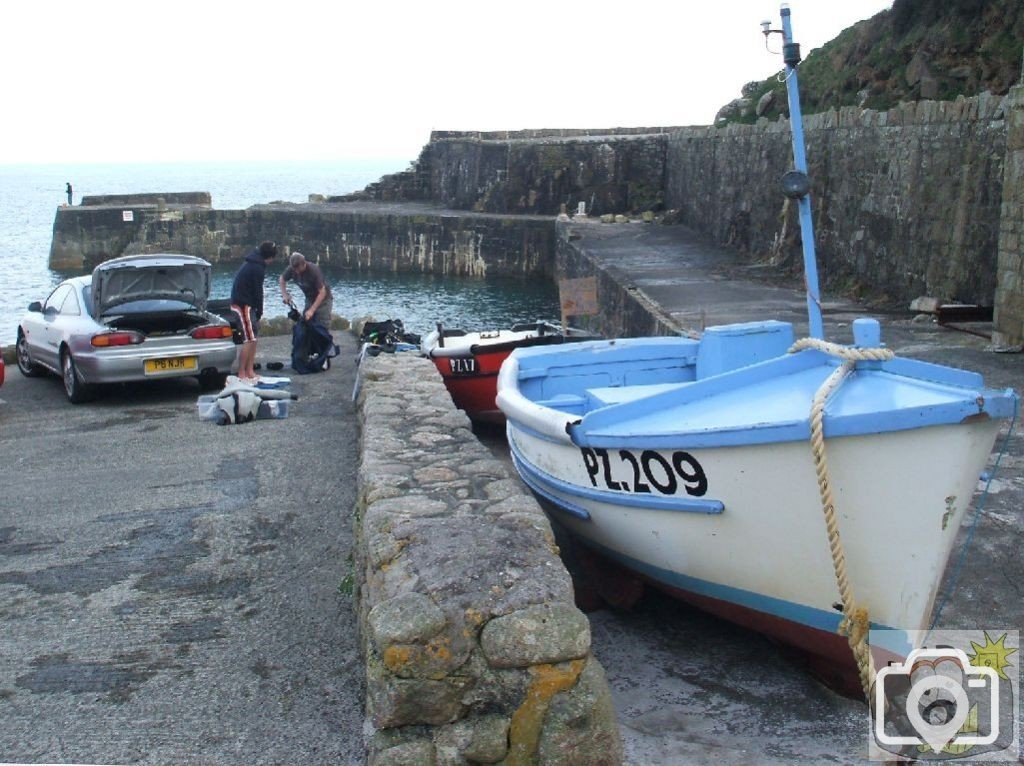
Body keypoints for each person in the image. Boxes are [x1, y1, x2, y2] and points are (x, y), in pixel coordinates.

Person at [230, 240, 278, 382]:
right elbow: (258, 292)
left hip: (247, 303)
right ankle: (242, 373)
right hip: (242, 304)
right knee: (249, 338)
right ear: (269, 257)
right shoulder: (257, 268)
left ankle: (250, 371)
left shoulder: (255, 262)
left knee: (253, 337)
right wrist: (260, 310)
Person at [279, 252, 333, 325]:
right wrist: (285, 294)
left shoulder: (314, 271)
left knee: (322, 324)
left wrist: (312, 310)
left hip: (324, 300)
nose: (297, 272)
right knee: (306, 322)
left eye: (299, 270)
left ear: (304, 264)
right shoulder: (292, 269)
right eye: (295, 270)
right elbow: (282, 279)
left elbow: (322, 292)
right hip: (309, 298)